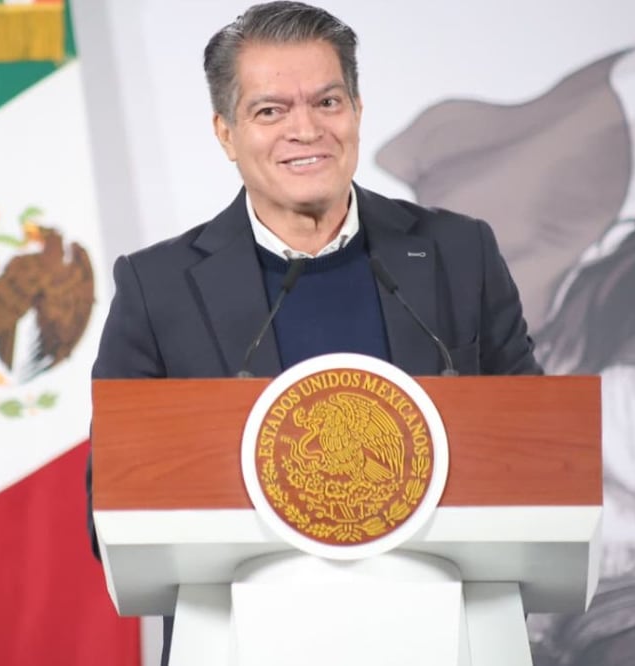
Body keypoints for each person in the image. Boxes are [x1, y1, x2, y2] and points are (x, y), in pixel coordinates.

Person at [86, 2, 542, 663]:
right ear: (225, 131)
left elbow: (535, 459)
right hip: (242, 640)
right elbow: (114, 505)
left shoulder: (458, 252)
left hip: (448, 634)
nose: (307, 130)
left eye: (326, 101)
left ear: (355, 109)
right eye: (270, 110)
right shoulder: (158, 287)